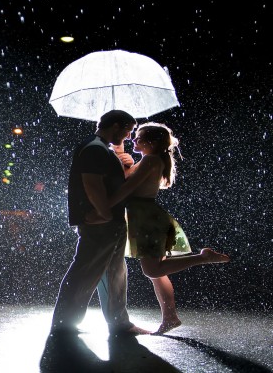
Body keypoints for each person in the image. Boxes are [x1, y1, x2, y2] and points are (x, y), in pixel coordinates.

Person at [91, 122, 231, 334]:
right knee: (156, 272)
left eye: (138, 138)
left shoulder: (151, 160)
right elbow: (128, 179)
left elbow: (128, 187)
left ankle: (202, 257)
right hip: (144, 218)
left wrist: (105, 206)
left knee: (152, 269)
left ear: (152, 142)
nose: (133, 140)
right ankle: (170, 317)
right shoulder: (149, 160)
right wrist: (123, 160)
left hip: (147, 219)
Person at [50, 110, 148, 335]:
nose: (128, 136)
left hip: (108, 220)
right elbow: (91, 184)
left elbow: (108, 182)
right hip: (102, 221)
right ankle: (65, 322)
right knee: (86, 270)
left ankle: (117, 322)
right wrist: (103, 213)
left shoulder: (100, 147)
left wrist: (124, 163)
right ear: (115, 126)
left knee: (114, 272)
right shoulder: (95, 148)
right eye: (127, 130)